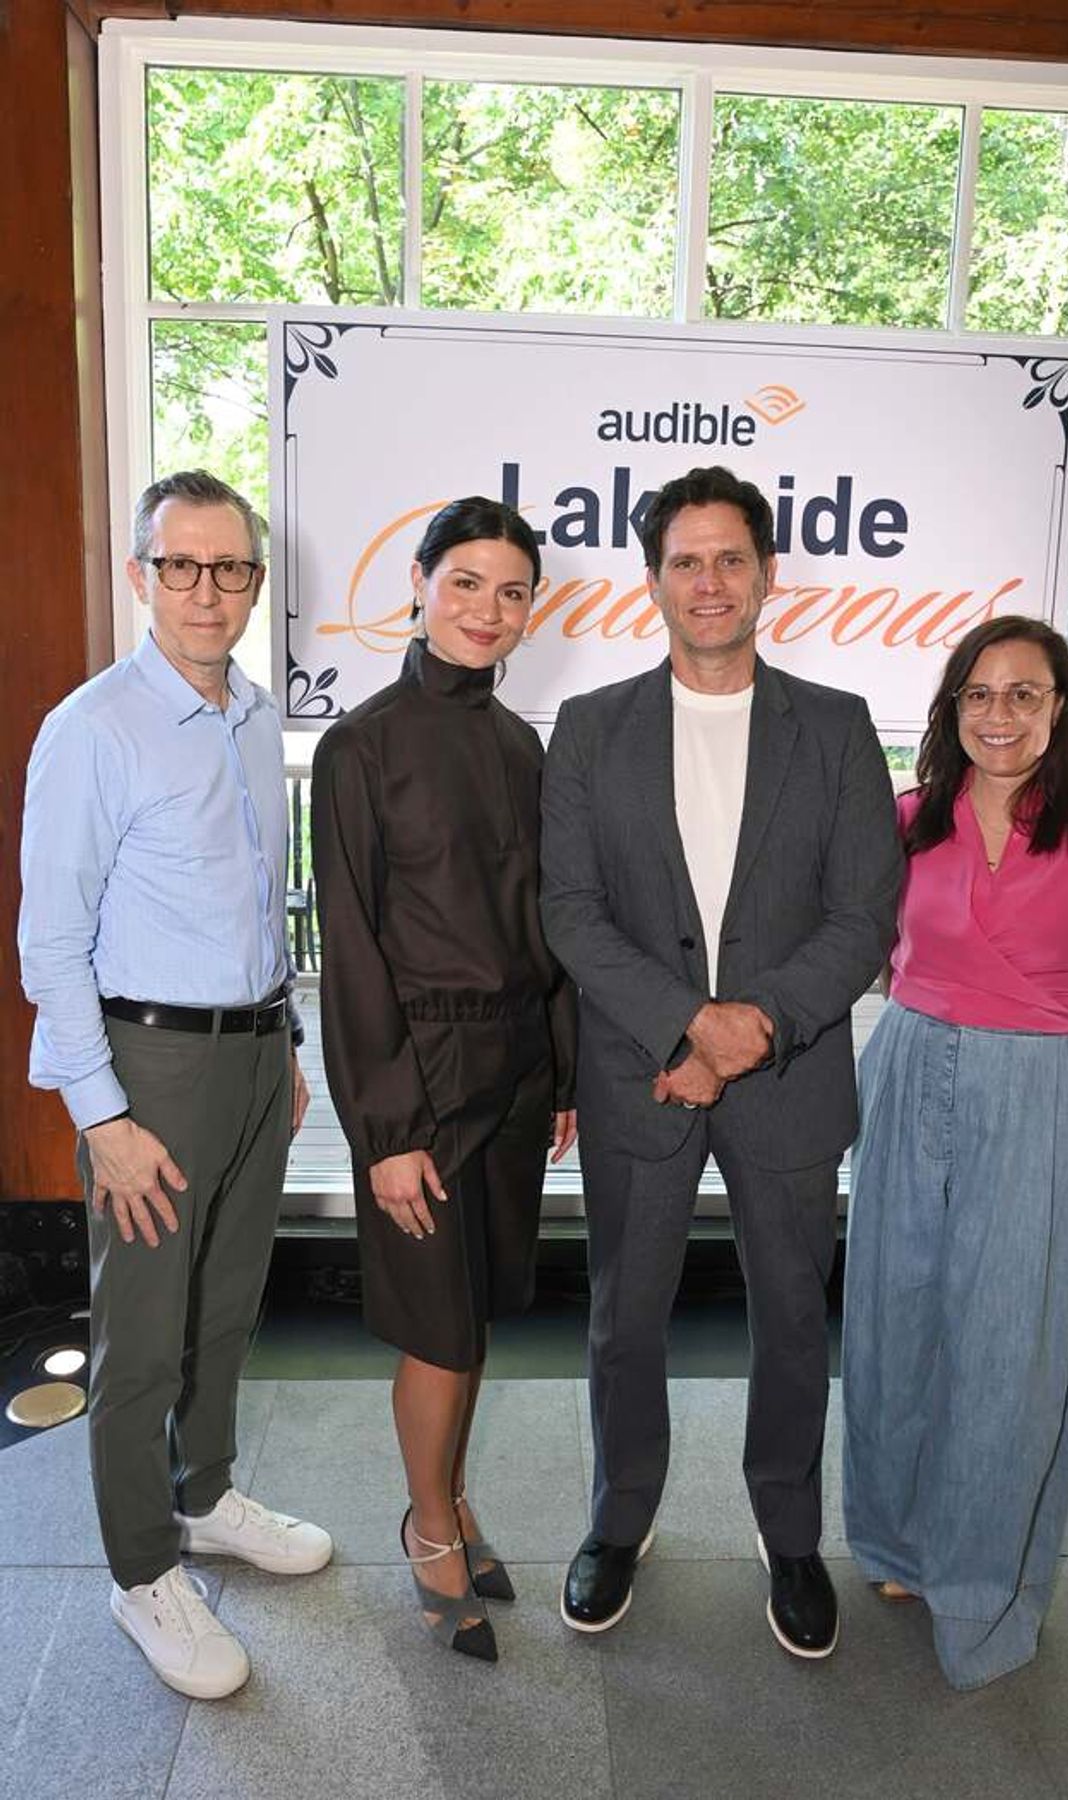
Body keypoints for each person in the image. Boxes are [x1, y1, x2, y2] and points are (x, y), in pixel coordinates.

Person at [540, 465, 901, 1658]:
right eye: (685, 561)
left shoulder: (838, 725)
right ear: (653, 581)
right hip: (643, 1073)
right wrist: (694, 1025)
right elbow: (572, 912)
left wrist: (754, 1027)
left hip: (790, 1082)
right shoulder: (591, 728)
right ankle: (617, 1519)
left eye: (730, 559)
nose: (709, 581)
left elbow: (863, 913)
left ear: (766, 576)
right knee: (622, 1321)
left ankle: (789, 1532)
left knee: (795, 1316)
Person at [19, 470, 333, 1702]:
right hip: (147, 1066)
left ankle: (202, 1497)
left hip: (257, 1053)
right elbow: (51, 943)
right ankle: (141, 1568)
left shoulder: (256, 716)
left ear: (256, 581)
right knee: (141, 1337)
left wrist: (290, 1045)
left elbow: (262, 903)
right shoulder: (93, 727)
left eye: (232, 568)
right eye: (183, 566)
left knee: (227, 1303)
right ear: (141, 574)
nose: (209, 591)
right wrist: (104, 1116)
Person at [841, 615, 1068, 1690]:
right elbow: (884, 962)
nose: (1000, 716)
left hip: (1039, 1086)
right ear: (952, 710)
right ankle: (895, 1542)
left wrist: (1038, 1076)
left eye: (1025, 695)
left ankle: (982, 1576)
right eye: (979, 695)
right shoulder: (903, 821)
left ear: (1061, 709)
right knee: (895, 1313)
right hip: (909, 1067)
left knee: (1008, 1341)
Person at [311, 496, 577, 1665]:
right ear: (419, 583)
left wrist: (560, 1070)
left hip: (517, 1075)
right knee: (438, 1332)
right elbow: (352, 946)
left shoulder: (524, 743)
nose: (488, 609)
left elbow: (548, 924)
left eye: (512, 591)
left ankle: (455, 1500)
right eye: (466, 582)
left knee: (472, 1320)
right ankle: (428, 1529)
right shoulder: (358, 746)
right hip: (418, 1083)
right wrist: (385, 1129)